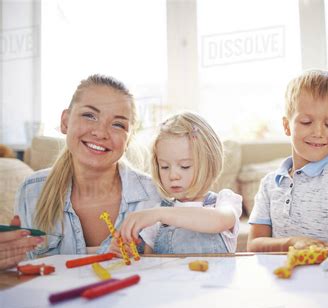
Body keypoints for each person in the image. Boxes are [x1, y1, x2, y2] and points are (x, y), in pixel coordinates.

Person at [15, 74, 161, 258]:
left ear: (128, 139)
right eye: (89, 115)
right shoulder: (32, 191)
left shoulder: (154, 196)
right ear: (65, 122)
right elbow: (22, 270)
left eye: (117, 124)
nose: (100, 133)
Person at [247, 70, 328, 253]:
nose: (318, 133)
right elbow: (254, 245)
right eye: (306, 122)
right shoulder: (269, 184)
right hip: (282, 278)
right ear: (287, 126)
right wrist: (290, 243)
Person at [116, 111, 242, 254]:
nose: (173, 175)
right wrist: (128, 250)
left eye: (185, 166)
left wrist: (160, 214)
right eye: (164, 166)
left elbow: (219, 221)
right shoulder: (159, 212)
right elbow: (148, 262)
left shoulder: (224, 202)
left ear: (210, 163)